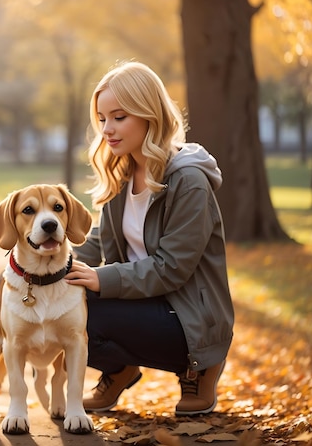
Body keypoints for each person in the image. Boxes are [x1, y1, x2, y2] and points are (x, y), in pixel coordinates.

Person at [64, 61, 234, 416]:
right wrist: (45, 264)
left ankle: (198, 368)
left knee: (86, 309)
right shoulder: (122, 172)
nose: (107, 129)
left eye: (119, 117)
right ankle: (119, 369)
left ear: (149, 115)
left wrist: (100, 278)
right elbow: (98, 241)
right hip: (144, 303)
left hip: (187, 316)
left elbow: (172, 269)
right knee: (59, 300)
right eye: (102, 118)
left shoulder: (189, 180)